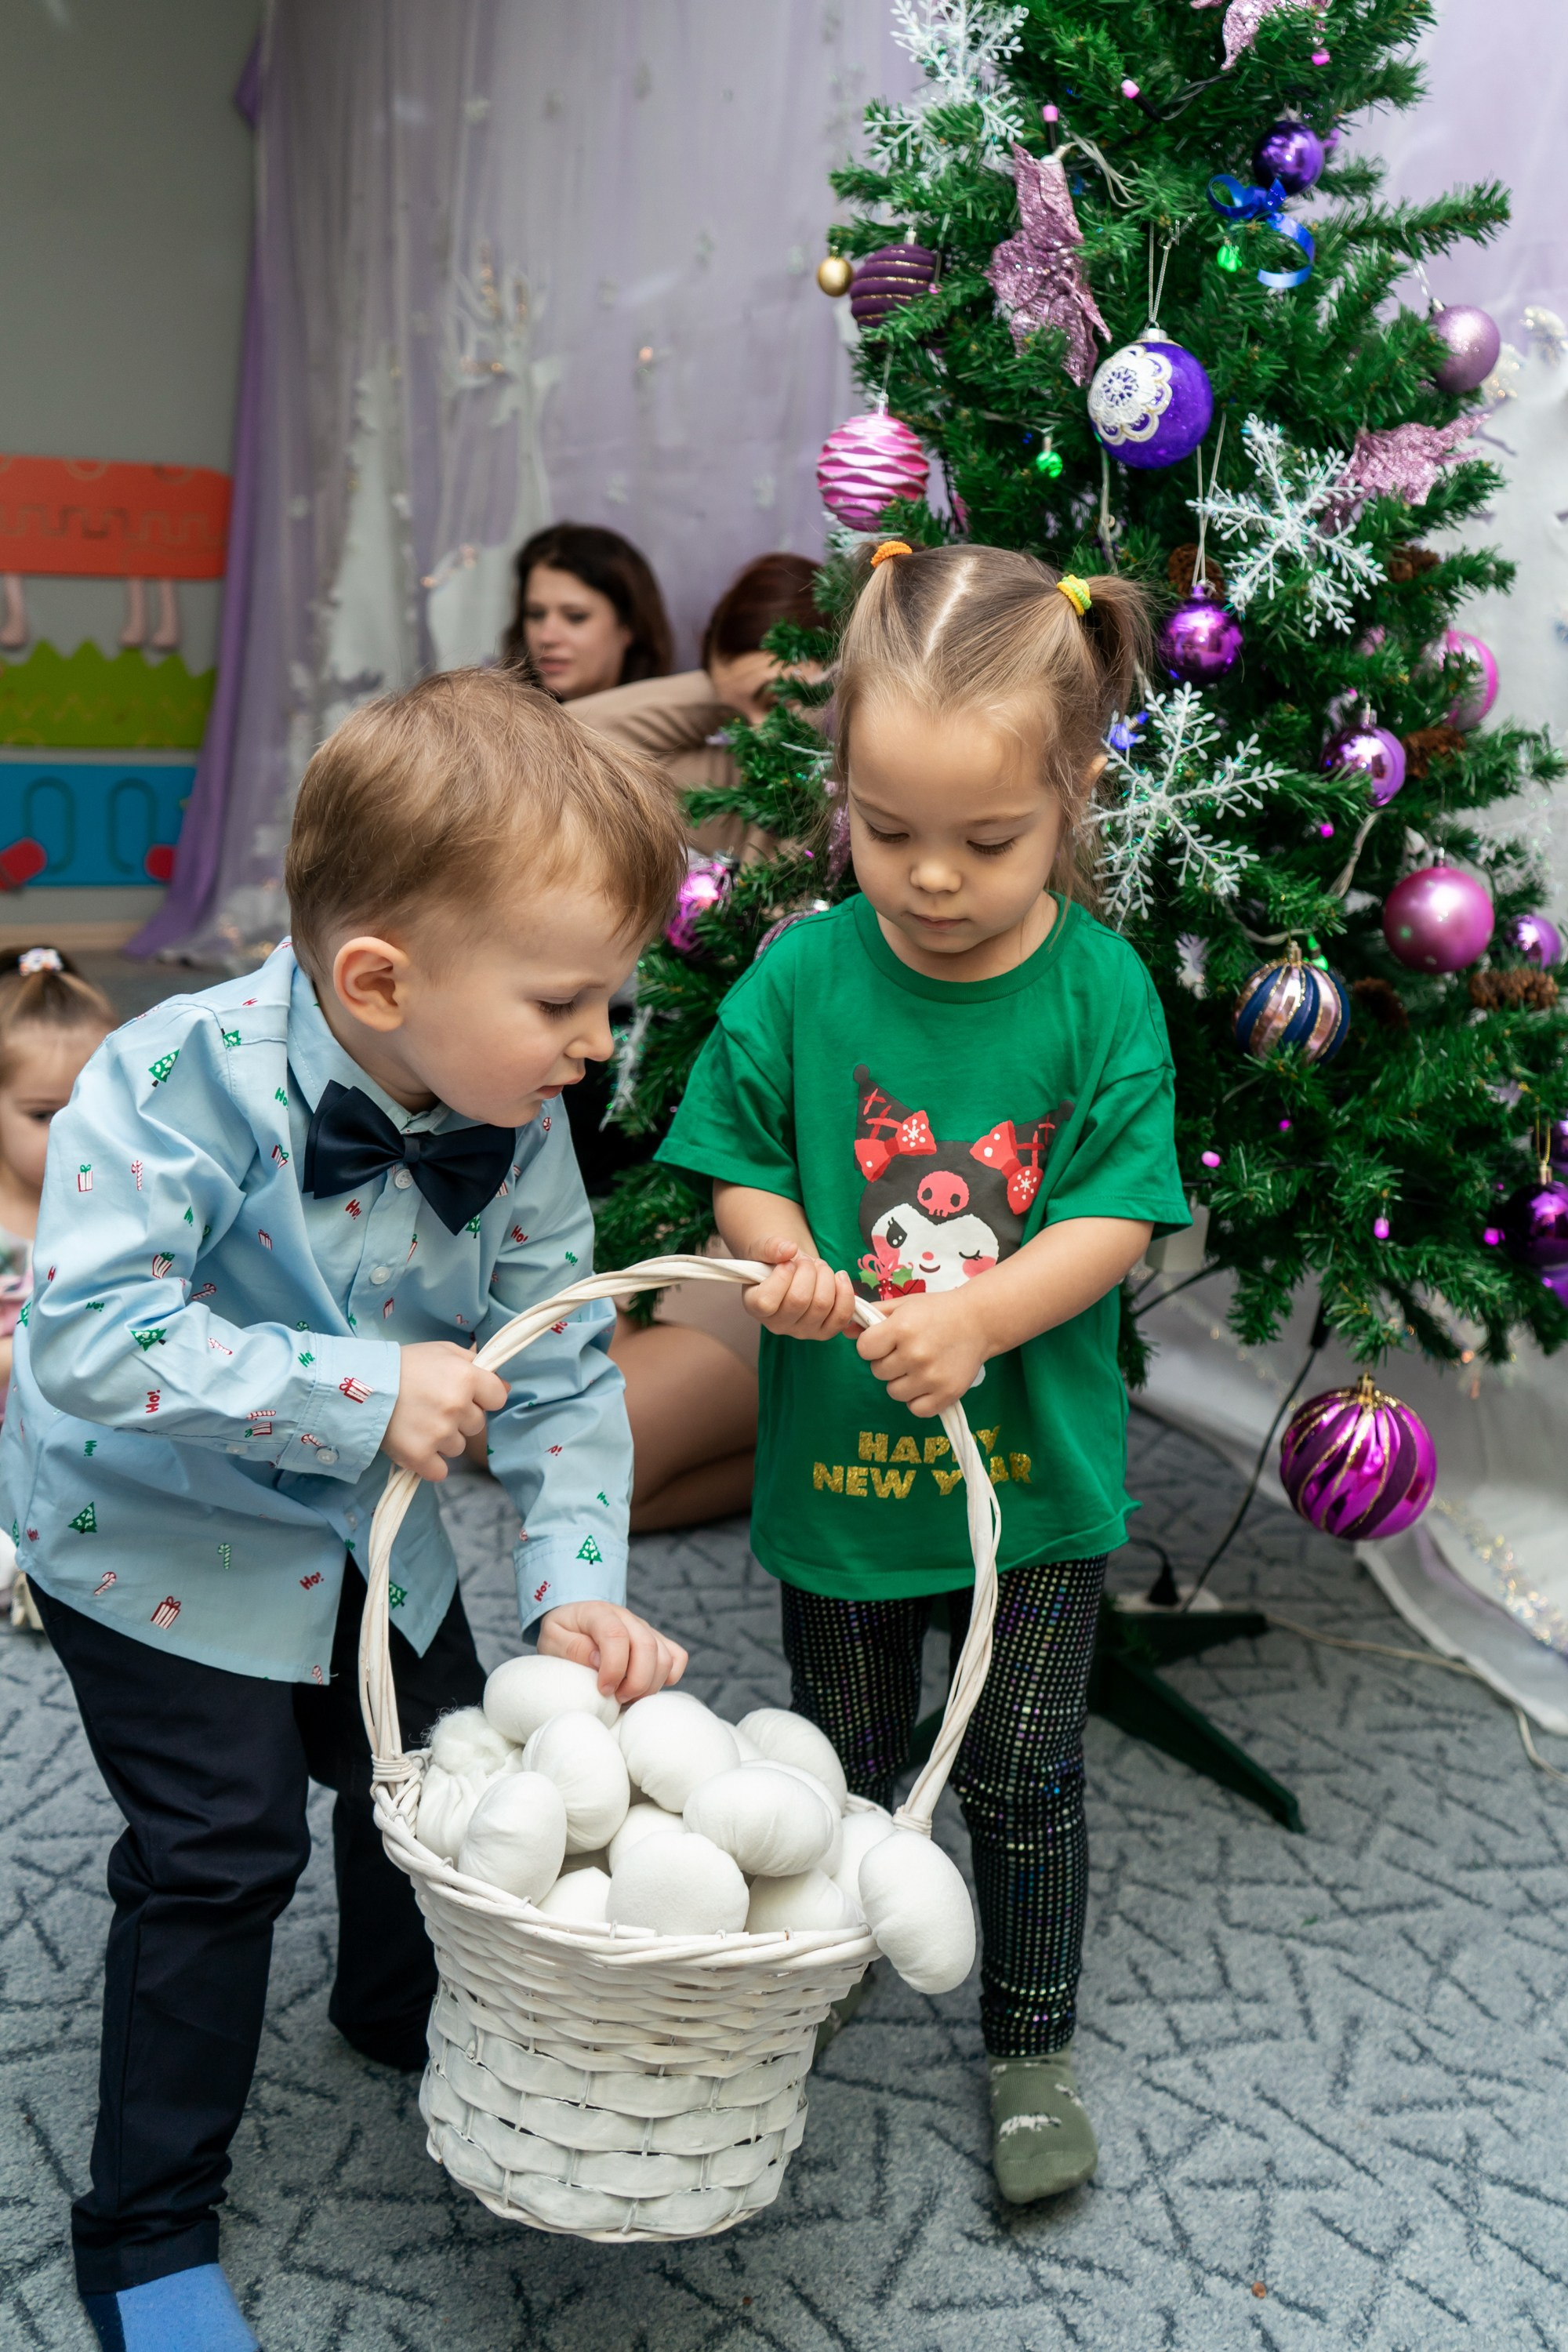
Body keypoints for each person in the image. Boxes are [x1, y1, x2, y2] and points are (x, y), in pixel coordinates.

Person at [4, 668, 691, 2350]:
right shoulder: (167, 1080)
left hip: (364, 1539)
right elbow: (83, 1339)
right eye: (566, 1001)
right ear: (382, 980)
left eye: (607, 1000)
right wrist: (363, 1390)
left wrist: (576, 1589)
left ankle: (402, 2012)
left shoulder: (520, 1115)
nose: (598, 1043)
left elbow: (559, 1374)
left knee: (442, 1778)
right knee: (222, 1849)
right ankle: (147, 2235)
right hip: (146, 1538)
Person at [656, 540, 1189, 2206]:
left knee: (1024, 1777)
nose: (933, 878)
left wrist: (981, 1316)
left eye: (987, 839)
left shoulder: (1103, 991)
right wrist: (783, 1257)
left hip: (1032, 1495)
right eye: (887, 832)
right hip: (841, 1486)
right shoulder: (804, 972)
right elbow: (740, 1160)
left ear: (1075, 794)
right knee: (841, 1762)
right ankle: (823, 1979)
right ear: (842, 789)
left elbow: (1115, 1213)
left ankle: (1030, 2046)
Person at [575, 554, 829, 1528]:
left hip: (800, 1224)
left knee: (602, 1476)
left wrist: (788, 691)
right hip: (686, 1194)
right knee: (505, 1424)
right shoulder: (724, 782)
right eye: (754, 700)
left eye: (802, 693)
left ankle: (818, 1441)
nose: (777, 724)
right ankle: (801, 1430)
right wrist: (723, 684)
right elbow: (564, 743)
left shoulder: (874, 811)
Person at [0, 946, 114, 1625]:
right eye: (43, 1115)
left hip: (85, 1432)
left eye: (94, 1106)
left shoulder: (116, 1205)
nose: (73, 1132)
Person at [501, 521, 673, 702]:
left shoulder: (671, 716)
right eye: (535, 614)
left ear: (628, 626)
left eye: (575, 617)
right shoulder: (499, 716)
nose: (547, 637)